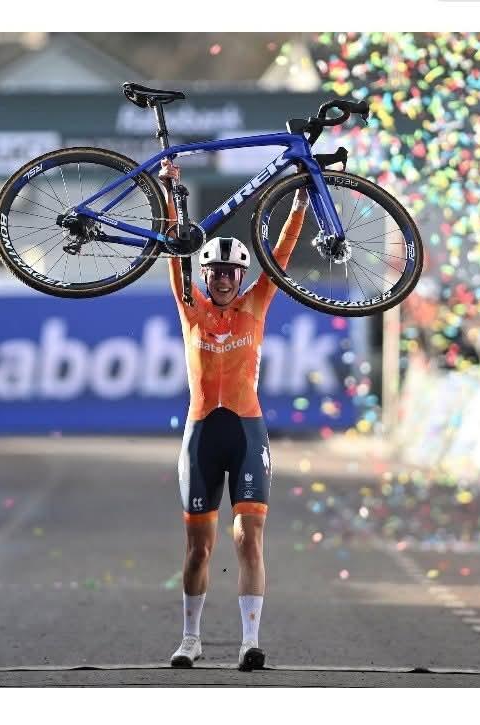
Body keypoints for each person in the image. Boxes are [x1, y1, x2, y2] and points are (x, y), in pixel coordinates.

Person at [160, 159, 308, 671]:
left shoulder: (256, 304)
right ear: (205, 275)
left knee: (248, 538)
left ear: (241, 276)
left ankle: (249, 642)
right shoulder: (191, 308)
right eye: (215, 272)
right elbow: (174, 250)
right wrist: (172, 192)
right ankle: (190, 638)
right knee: (199, 548)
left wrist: (299, 201)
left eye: (231, 273)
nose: (223, 279)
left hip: (246, 430)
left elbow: (281, 253)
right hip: (202, 432)